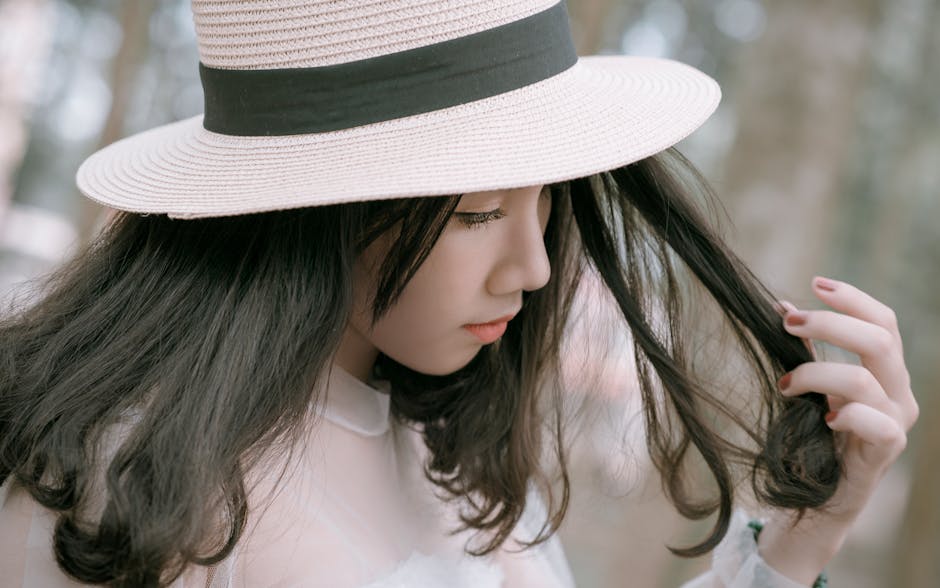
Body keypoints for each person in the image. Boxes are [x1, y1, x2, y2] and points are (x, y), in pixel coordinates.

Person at [0, 1, 918, 586]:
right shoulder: (124, 491)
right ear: (316, 210)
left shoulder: (450, 448)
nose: (536, 266)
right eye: (479, 212)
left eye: (546, 198)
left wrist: (802, 538)